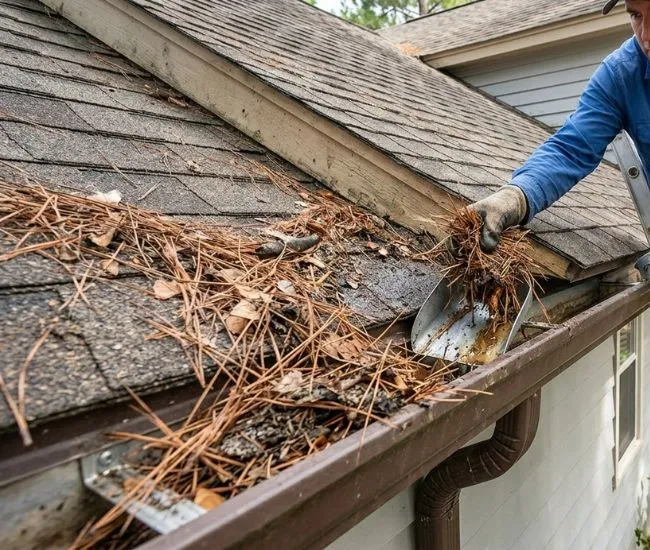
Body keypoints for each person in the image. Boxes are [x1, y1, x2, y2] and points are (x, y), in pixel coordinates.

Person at [473, 0, 650, 251]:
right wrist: (516, 197)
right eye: (636, 16)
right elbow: (571, 148)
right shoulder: (621, 74)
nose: (645, 35)